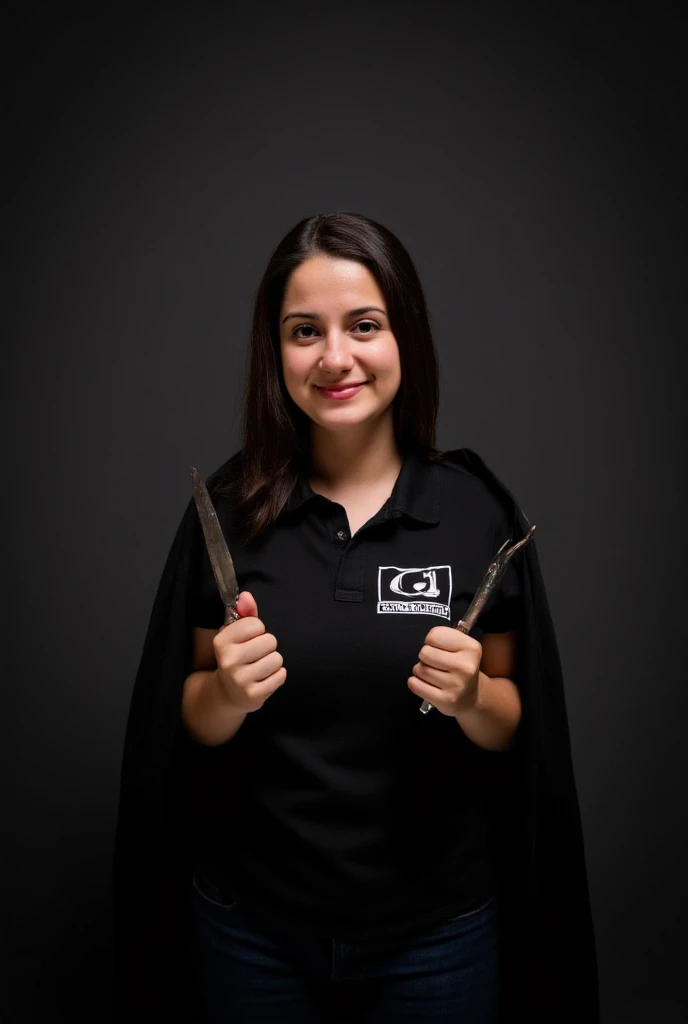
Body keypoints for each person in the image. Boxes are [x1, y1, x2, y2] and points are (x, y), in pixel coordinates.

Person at [113, 213, 599, 1024]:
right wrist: (226, 694)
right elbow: (187, 714)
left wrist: (474, 697)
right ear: (277, 352)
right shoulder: (229, 513)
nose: (334, 357)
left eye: (363, 325)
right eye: (306, 331)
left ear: (404, 334)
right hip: (252, 929)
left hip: (437, 936)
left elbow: (520, 722)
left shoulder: (474, 512)